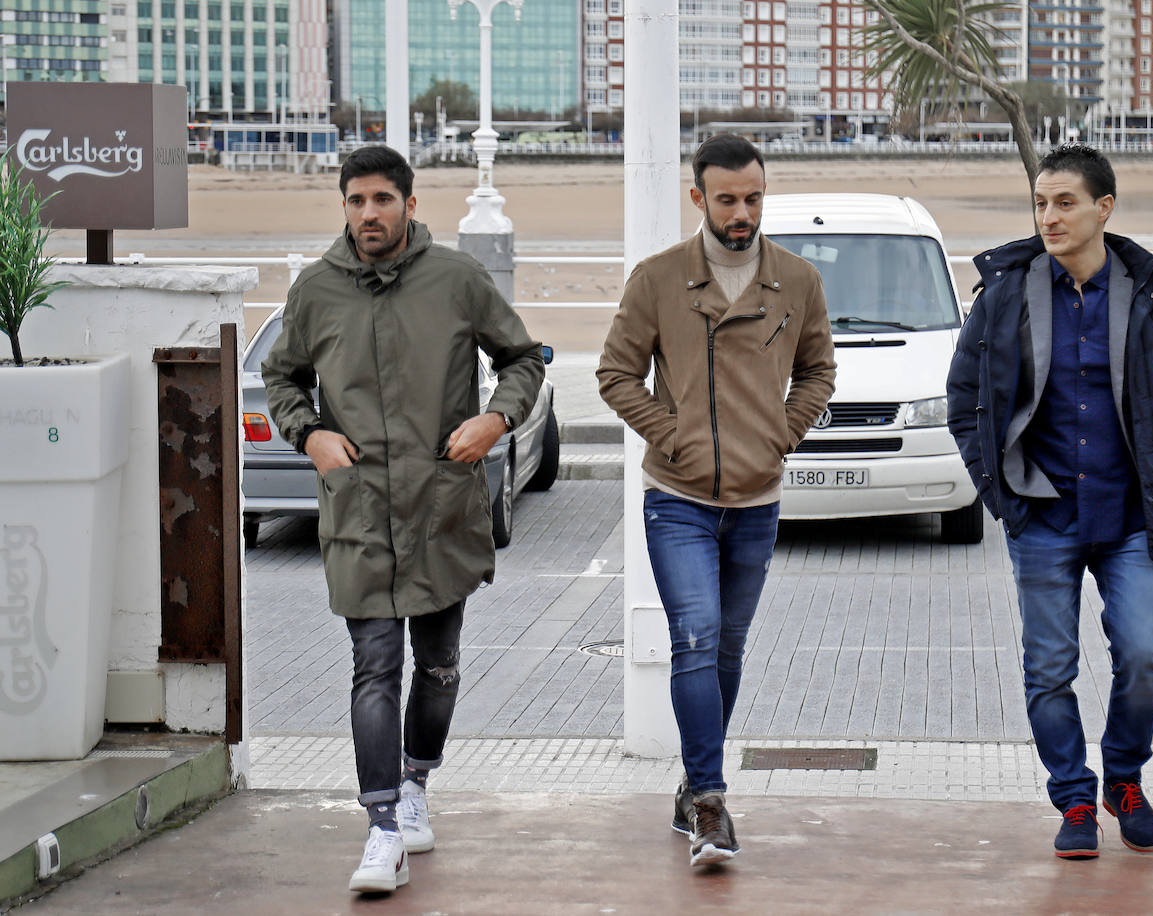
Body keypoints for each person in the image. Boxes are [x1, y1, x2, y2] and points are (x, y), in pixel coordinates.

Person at [261, 145, 545, 893]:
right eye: (355, 201)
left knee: (441, 666)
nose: (368, 214)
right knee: (375, 666)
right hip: (358, 513)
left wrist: (495, 422)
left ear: (410, 205)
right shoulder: (316, 290)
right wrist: (310, 434)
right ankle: (381, 826)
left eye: (382, 199)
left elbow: (522, 360)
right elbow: (281, 377)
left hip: (440, 508)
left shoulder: (456, 280)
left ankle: (418, 779)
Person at [946, 144, 1153, 859]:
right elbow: (963, 398)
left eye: (1064, 202)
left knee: (1142, 655)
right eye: (1040, 203)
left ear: (1104, 208)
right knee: (1049, 669)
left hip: (1134, 517)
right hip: (1042, 514)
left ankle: (1123, 779)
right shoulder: (1005, 293)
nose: (1049, 217)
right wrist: (999, 492)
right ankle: (1072, 796)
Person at [598, 135, 836, 867]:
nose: (742, 211)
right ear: (698, 198)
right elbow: (615, 373)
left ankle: (691, 788)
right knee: (696, 638)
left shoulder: (796, 280)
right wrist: (670, 437)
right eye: (727, 198)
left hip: (758, 500)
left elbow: (819, 371)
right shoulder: (660, 279)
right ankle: (709, 799)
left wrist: (780, 437)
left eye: (754, 198)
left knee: (726, 648)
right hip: (678, 499)